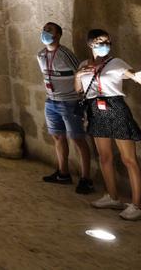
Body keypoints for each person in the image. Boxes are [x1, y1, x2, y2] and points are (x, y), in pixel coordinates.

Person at [76, 29, 141, 221]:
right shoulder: (84, 65)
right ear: (90, 44)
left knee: (129, 159)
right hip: (94, 108)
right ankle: (112, 196)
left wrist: (138, 77)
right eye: (100, 41)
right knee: (104, 157)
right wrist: (78, 75)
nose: (105, 44)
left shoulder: (116, 63)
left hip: (115, 108)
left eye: (107, 41)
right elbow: (78, 90)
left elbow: (132, 75)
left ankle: (136, 205)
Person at [36, 21, 94, 193]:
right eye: (44, 29)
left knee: (78, 139)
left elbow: (80, 73)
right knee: (57, 137)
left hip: (69, 102)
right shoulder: (40, 55)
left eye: (49, 30)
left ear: (58, 35)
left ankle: (86, 178)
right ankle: (63, 173)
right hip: (51, 101)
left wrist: (81, 99)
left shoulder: (64, 54)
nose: (45, 32)